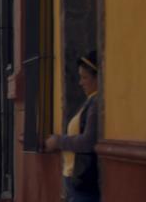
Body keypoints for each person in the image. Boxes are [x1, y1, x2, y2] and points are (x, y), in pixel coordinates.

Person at [45, 51, 100, 202]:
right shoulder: (90, 101)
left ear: (98, 77)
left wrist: (58, 141)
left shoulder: (96, 103)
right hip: (75, 179)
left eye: (84, 77)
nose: (80, 82)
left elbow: (89, 141)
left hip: (84, 182)